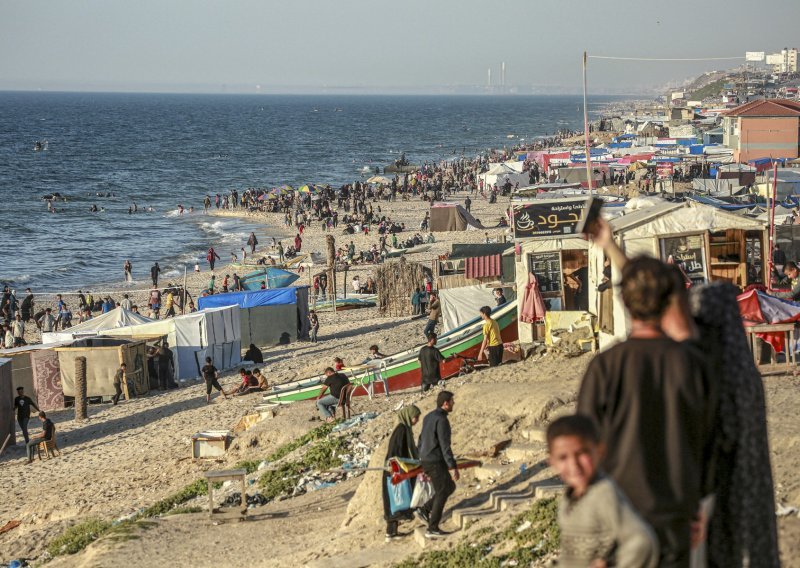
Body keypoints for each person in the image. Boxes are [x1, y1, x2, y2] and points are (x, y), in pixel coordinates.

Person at [577, 256, 716, 567]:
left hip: (619, 519)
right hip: (678, 517)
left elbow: (584, 451)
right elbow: (711, 440)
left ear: (624, 301)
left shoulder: (605, 367)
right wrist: (700, 506)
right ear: (670, 300)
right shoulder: (693, 364)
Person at [547, 414, 658, 568]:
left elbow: (641, 541)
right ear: (552, 461)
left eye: (581, 453)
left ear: (599, 451)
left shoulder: (603, 494)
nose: (574, 465)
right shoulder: (570, 497)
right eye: (563, 457)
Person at [417, 390, 459, 538]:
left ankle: (425, 509)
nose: (454, 403)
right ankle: (433, 527)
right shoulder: (442, 420)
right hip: (435, 460)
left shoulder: (428, 417)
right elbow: (445, 445)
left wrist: (420, 458)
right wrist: (452, 466)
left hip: (426, 459)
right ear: (445, 403)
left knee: (449, 487)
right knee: (442, 491)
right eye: (452, 401)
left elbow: (421, 440)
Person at [383, 405, 422, 540]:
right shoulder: (401, 430)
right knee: (395, 499)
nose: (417, 420)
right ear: (408, 416)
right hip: (394, 471)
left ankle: (391, 532)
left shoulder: (406, 429)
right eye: (415, 417)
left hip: (397, 470)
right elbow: (395, 452)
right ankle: (391, 533)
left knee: (395, 500)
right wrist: (397, 470)